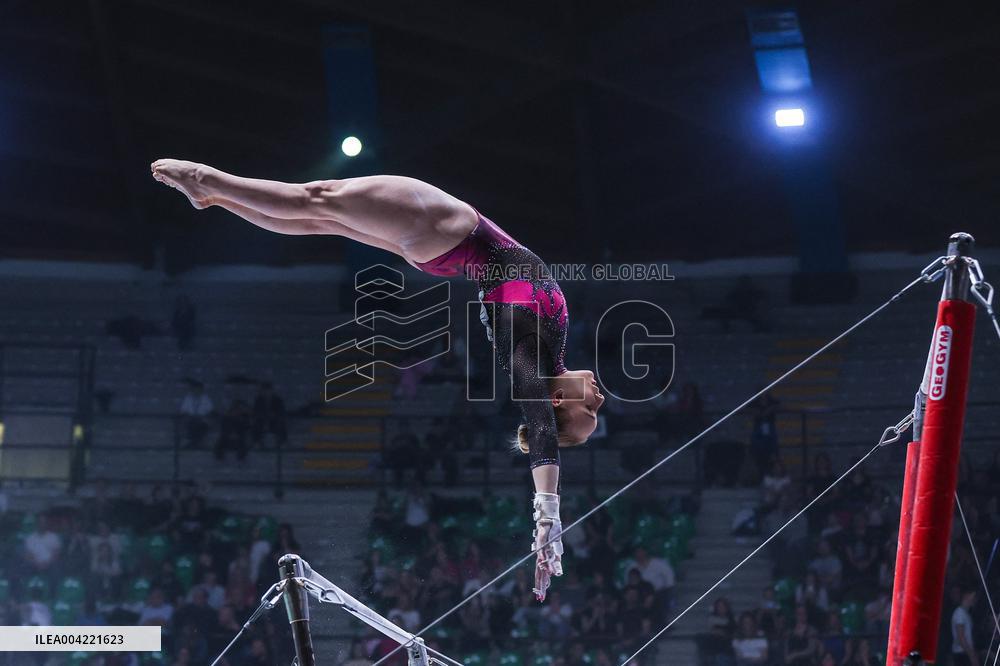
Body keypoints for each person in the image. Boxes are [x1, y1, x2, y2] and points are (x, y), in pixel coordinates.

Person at [152, 161, 606, 599]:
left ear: (557, 400)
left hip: (449, 232)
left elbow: (540, 427)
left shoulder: (528, 349)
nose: (599, 400)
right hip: (444, 246)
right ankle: (214, 197)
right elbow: (542, 423)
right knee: (320, 221)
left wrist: (547, 516)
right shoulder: (550, 349)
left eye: (588, 409)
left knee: (318, 198)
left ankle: (207, 179)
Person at [179, 381, 214, 448]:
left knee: (202, 425)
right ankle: (197, 443)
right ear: (193, 389)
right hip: (191, 419)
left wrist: (203, 416)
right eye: (195, 389)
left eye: (199, 389)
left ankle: (193, 443)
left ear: (202, 390)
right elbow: (183, 410)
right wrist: (189, 416)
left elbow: (211, 411)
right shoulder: (188, 398)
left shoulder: (206, 399)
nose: (197, 391)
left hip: (202, 420)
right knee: (191, 424)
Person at [252, 382, 287, 447]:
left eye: (268, 390)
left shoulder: (278, 400)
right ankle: (257, 442)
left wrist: (274, 415)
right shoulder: (258, 400)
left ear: (272, 391)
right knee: (256, 425)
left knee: (280, 424)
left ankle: (281, 442)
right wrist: (263, 415)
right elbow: (255, 411)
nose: (266, 392)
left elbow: (281, 412)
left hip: (274, 420)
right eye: (264, 390)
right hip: (262, 420)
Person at [951, 589, 978, 666]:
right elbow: (961, 637)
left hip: (965, 653)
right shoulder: (959, 612)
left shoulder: (965, 613)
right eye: (973, 596)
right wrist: (972, 656)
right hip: (961, 654)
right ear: (966, 596)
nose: (975, 599)